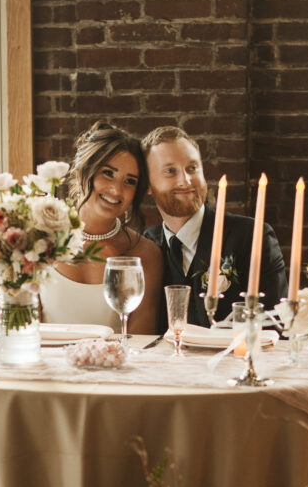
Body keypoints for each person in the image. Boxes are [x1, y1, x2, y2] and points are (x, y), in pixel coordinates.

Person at [141, 125, 287, 329]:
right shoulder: (145, 245)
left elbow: (273, 326)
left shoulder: (252, 237)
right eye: (170, 171)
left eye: (192, 168)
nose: (186, 181)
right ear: (147, 184)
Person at [40, 121, 163, 333]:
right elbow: (23, 331)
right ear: (81, 174)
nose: (116, 190)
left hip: (114, 365)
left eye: (130, 181)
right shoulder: (37, 240)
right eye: (108, 173)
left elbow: (140, 346)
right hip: (48, 364)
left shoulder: (146, 255)